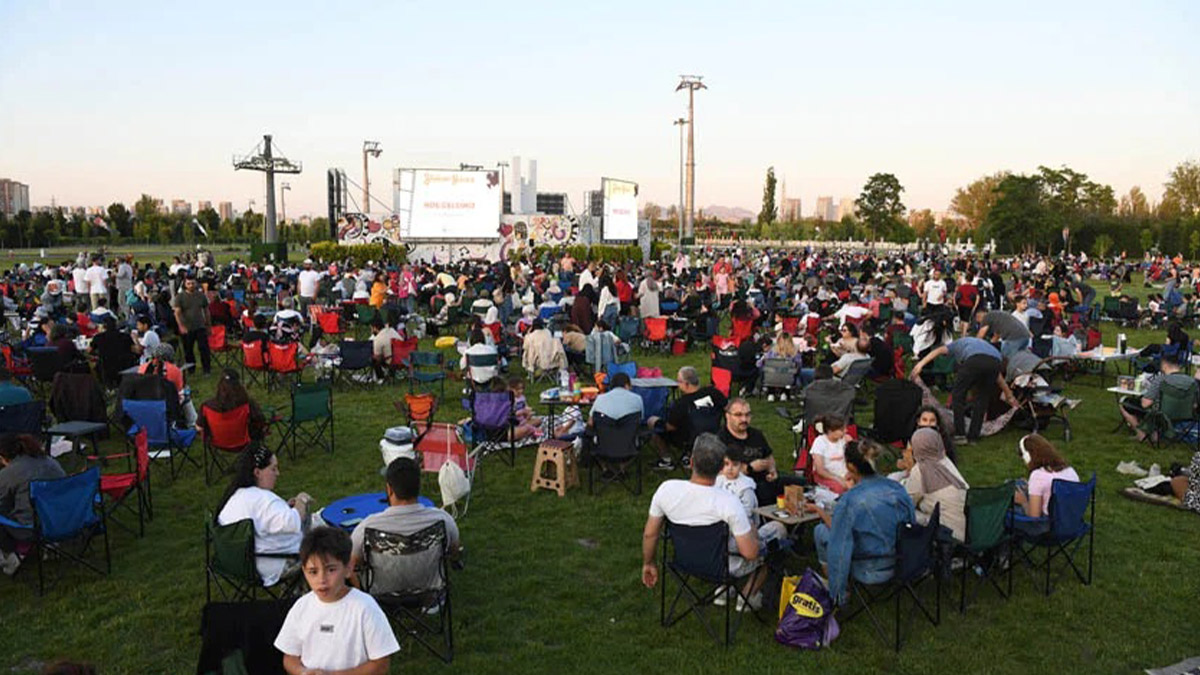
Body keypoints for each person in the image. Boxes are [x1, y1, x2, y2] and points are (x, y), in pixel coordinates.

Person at [640, 433, 762, 611]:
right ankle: (747, 596)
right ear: (721, 467)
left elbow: (650, 534)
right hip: (721, 567)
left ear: (691, 462)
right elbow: (750, 554)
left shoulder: (666, 489)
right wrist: (753, 531)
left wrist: (648, 563)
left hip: (683, 561)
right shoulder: (729, 502)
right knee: (774, 541)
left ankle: (727, 592)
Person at [274, 526, 399, 675]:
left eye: (331, 570)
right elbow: (290, 657)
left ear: (348, 569)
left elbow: (381, 664)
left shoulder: (365, 608)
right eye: (313, 572)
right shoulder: (301, 607)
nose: (322, 580)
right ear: (304, 571)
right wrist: (303, 672)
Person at [806, 440, 915, 604]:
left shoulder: (850, 500)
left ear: (851, 467)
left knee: (821, 531)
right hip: (902, 561)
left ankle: (836, 590)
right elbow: (911, 525)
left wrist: (838, 595)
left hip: (870, 568)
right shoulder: (897, 488)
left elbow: (840, 549)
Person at [349, 457, 460, 592]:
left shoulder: (367, 527)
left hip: (381, 596)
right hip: (430, 593)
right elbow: (454, 551)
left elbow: (353, 563)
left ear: (389, 489)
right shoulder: (443, 520)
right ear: (418, 487)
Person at [216, 446, 312, 588]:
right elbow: (294, 522)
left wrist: (284, 506)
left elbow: (261, 518)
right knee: (318, 531)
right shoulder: (265, 500)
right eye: (273, 469)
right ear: (257, 472)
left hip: (237, 564)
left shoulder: (234, 496)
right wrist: (301, 500)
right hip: (271, 565)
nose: (277, 473)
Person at [910, 336, 1014, 443]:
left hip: (975, 360)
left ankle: (960, 435)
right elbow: (997, 376)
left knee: (958, 395)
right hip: (996, 363)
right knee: (981, 400)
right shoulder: (982, 345)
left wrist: (920, 364)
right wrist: (1008, 394)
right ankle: (974, 437)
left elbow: (939, 350)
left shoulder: (957, 344)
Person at [0, 434, 66, 574]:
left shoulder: (10, 473)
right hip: (65, 520)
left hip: (32, 528)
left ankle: (10, 558)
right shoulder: (51, 462)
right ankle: (50, 546)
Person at [648, 366, 727, 470]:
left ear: (686, 384)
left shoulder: (680, 404)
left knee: (656, 427)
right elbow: (728, 408)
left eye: (678, 381)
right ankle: (688, 456)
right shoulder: (713, 392)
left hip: (689, 439)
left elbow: (670, 427)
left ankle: (666, 461)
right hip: (715, 433)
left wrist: (654, 421)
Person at [905, 428, 969, 541]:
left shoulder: (920, 469)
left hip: (946, 535)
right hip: (966, 530)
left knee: (904, 515)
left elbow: (906, 503)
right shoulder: (946, 461)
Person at [1011, 434, 1080, 536]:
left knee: (1005, 507)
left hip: (1046, 528)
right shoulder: (1070, 471)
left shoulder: (1038, 476)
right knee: (1019, 484)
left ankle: (1005, 547)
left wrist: (1023, 502)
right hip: (1070, 523)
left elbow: (1034, 516)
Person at [717, 398, 779, 506]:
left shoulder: (756, 435)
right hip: (741, 486)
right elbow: (720, 472)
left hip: (766, 480)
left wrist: (772, 470)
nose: (744, 419)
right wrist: (749, 468)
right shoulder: (721, 440)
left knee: (798, 483)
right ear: (727, 416)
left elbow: (769, 456)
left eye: (747, 415)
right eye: (738, 415)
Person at [1119, 354, 1191, 441]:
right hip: (1185, 414)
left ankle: (1141, 434)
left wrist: (1143, 397)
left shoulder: (1161, 380)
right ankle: (1155, 433)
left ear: (1164, 365)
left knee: (1124, 402)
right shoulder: (1191, 381)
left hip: (1162, 415)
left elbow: (1145, 404)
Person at [199, 369, 268, 443]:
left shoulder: (207, 406)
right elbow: (260, 421)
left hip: (217, 443)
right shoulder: (247, 404)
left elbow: (199, 427)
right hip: (244, 443)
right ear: (239, 385)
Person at [173, 275, 212, 375]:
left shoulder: (201, 295)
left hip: (200, 326)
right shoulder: (180, 297)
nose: (191, 285)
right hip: (187, 327)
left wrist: (208, 325)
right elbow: (177, 312)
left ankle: (206, 369)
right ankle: (191, 369)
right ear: (185, 284)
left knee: (204, 348)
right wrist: (181, 326)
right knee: (188, 350)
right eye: (188, 284)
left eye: (193, 283)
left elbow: (206, 310)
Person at [809, 414, 850, 495]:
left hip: (845, 474)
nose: (846, 431)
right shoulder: (820, 442)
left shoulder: (843, 440)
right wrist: (838, 479)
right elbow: (820, 470)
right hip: (827, 475)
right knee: (840, 488)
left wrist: (852, 445)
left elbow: (853, 460)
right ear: (831, 431)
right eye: (842, 430)